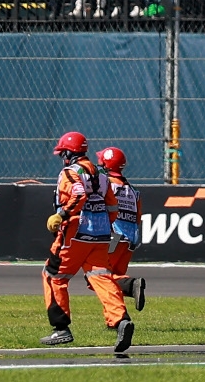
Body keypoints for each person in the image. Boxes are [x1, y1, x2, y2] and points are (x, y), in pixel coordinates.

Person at [41, 131, 134, 356]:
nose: (61, 157)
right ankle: (121, 320)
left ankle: (61, 329)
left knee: (53, 275)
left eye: (62, 153)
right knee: (101, 277)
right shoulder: (101, 173)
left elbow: (79, 195)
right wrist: (103, 224)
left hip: (75, 234)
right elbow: (112, 206)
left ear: (68, 153)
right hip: (101, 235)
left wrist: (62, 215)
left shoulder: (70, 172)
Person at [95, 146, 146, 311]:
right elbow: (138, 218)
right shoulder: (133, 190)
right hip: (130, 240)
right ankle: (118, 317)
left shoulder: (105, 184)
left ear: (106, 164)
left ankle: (132, 285)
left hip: (113, 238)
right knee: (115, 278)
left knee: (97, 277)